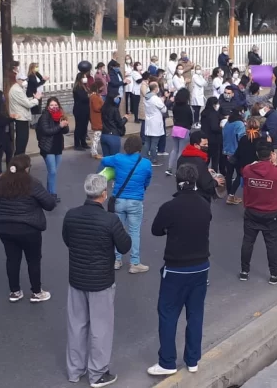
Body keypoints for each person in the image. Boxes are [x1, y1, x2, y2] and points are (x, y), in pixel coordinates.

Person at [63, 174, 131, 387]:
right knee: (100, 329)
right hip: (101, 281)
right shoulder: (110, 220)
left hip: (77, 278)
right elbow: (125, 246)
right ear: (103, 194)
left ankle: (74, 370)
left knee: (76, 325)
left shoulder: (71, 215)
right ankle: (98, 373)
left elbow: (68, 240)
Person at [147, 163, 212, 376]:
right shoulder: (204, 204)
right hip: (201, 267)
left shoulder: (169, 207)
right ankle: (192, 360)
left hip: (175, 269)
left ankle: (167, 362)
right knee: (195, 314)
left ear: (178, 180)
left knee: (168, 315)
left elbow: (156, 230)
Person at [0, 155, 56, 303]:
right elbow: (49, 204)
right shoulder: (33, 183)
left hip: (5, 227)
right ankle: (36, 292)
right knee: (33, 260)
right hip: (29, 228)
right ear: (27, 168)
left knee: (12, 259)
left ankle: (14, 292)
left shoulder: (1, 182)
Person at [239, 141, 277, 284]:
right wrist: (276, 164)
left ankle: (244, 271)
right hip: (271, 213)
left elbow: (244, 175)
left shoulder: (247, 169)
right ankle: (274, 275)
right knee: (271, 244)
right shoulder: (276, 171)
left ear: (256, 154)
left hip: (251, 211)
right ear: (271, 155)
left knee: (248, 241)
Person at [99, 135, 152, 273]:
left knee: (118, 231)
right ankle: (134, 263)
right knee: (134, 232)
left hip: (119, 200)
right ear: (139, 147)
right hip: (135, 201)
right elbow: (147, 180)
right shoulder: (146, 163)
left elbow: (104, 161)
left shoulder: (118, 158)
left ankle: (117, 260)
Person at [36, 97, 70, 201]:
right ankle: (52, 195)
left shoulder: (60, 115)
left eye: (56, 105)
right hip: (47, 147)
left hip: (58, 146)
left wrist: (65, 125)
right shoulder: (44, 117)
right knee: (53, 171)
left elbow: (65, 131)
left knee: (53, 172)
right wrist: (59, 126)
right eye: (51, 105)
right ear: (47, 106)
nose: (54, 107)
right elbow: (47, 131)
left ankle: (49, 193)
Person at [177, 130, 224, 203]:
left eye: (207, 144)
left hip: (182, 196)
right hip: (199, 199)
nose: (207, 146)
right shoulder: (199, 161)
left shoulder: (182, 158)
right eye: (204, 144)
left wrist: (205, 170)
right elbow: (206, 185)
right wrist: (216, 182)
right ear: (196, 145)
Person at [10, 73, 41, 155]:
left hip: (23, 117)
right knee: (21, 141)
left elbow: (24, 100)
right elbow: (27, 104)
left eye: (25, 80)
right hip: (20, 118)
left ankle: (20, 159)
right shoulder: (16, 90)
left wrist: (33, 98)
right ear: (17, 80)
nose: (25, 81)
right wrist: (36, 99)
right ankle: (19, 161)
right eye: (22, 80)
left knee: (23, 141)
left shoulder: (20, 88)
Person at [166, 89, 194, 176]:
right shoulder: (188, 107)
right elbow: (191, 120)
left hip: (175, 128)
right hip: (184, 129)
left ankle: (169, 168)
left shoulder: (175, 106)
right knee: (181, 151)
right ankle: (179, 169)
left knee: (174, 149)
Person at [222, 109, 246, 205]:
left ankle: (229, 194)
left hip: (226, 151)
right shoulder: (239, 124)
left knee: (229, 174)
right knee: (240, 174)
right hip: (236, 152)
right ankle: (231, 195)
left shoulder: (227, 123)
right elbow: (241, 138)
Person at [142, 81, 167, 167]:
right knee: (154, 143)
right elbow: (164, 109)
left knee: (147, 142)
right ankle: (153, 159)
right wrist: (162, 101)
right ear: (156, 88)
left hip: (148, 121)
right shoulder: (155, 98)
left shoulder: (146, 97)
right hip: (156, 122)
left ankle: (144, 158)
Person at [259, 102, 277, 167]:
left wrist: (261, 134)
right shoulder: (274, 116)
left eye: (261, 108)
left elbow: (271, 133)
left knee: (276, 168)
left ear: (267, 107)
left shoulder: (272, 118)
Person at [200, 97, 223, 172]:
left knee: (206, 159)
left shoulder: (204, 112)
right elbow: (214, 127)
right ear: (214, 104)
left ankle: (202, 174)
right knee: (215, 161)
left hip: (204, 139)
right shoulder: (214, 114)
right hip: (214, 140)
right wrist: (222, 128)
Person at [72, 68, 92, 150]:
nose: (85, 78)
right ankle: (77, 144)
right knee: (79, 127)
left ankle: (83, 142)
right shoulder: (77, 88)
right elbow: (83, 98)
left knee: (84, 127)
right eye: (84, 77)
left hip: (86, 109)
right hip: (79, 110)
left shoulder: (85, 87)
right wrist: (90, 96)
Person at [89, 81, 105, 160]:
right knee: (96, 136)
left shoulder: (95, 96)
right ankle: (94, 152)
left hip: (97, 118)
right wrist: (104, 107)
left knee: (96, 136)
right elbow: (97, 108)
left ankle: (93, 151)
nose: (103, 88)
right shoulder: (95, 97)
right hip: (97, 119)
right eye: (101, 87)